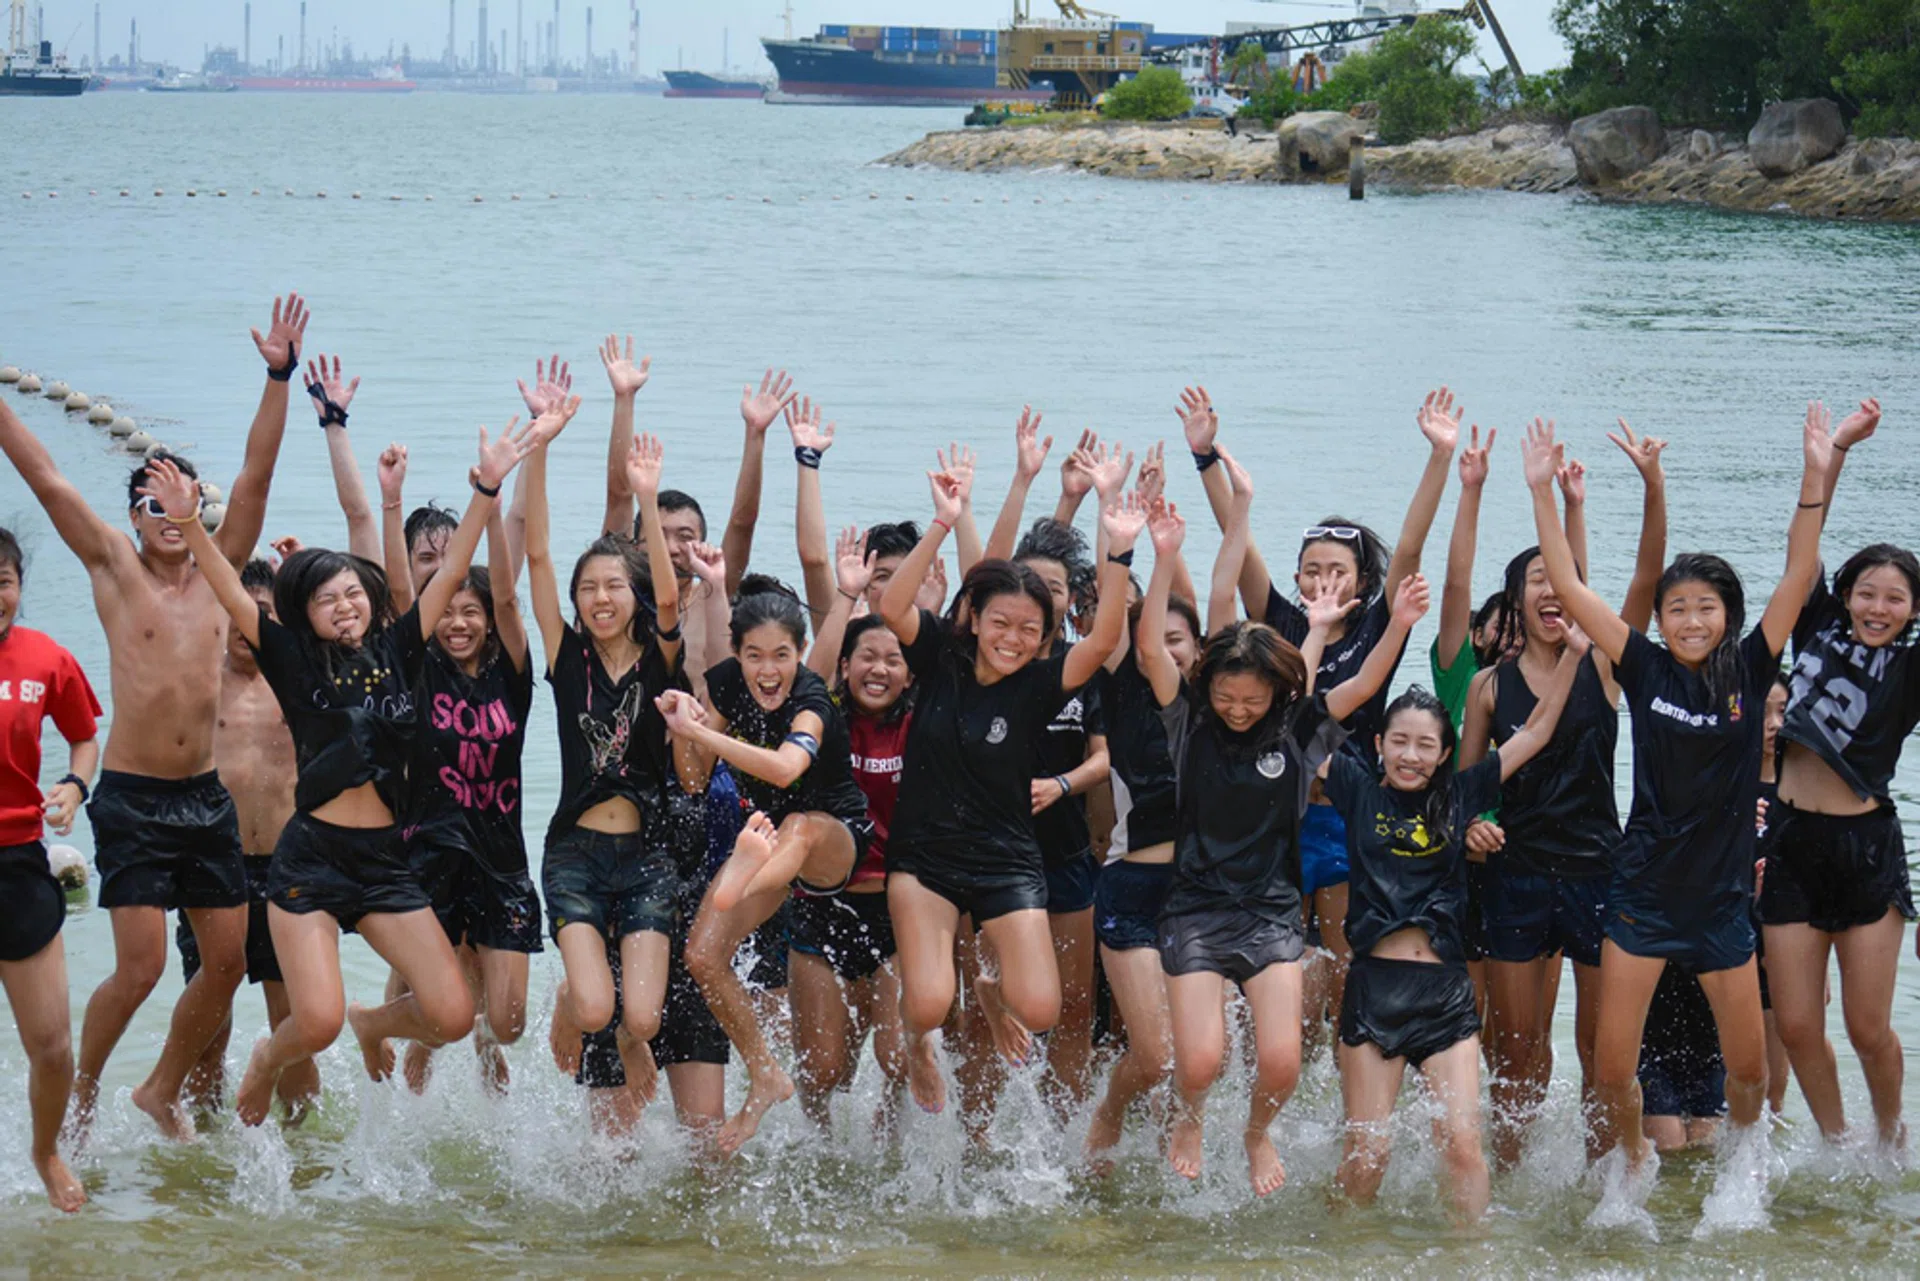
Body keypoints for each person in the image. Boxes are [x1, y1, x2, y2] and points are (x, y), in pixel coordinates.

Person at [142, 404, 548, 1122]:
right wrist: (195, 525)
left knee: (453, 1013)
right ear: (307, 612)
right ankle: (271, 1054)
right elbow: (232, 592)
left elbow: (454, 566)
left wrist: (487, 490)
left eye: (354, 594)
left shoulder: (401, 650)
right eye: (328, 599)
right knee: (315, 1020)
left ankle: (372, 1021)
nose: (346, 606)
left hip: (385, 861)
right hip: (313, 860)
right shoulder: (291, 660)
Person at [0, 295, 306, 1141]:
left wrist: (277, 377)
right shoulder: (112, 569)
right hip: (133, 798)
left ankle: (159, 1087)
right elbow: (46, 476)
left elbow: (256, 475)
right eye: (151, 504)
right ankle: (86, 1085)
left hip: (204, 799)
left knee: (229, 960)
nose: (168, 520)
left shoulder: (221, 572)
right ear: (133, 517)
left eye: (181, 504)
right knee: (137, 967)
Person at [1520, 406, 1840, 1208]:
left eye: (1706, 606)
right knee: (1612, 1067)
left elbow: (1799, 575)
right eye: (1678, 608)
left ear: (1727, 614)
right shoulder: (1642, 666)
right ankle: (1630, 1164)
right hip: (1641, 898)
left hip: (1722, 905)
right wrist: (1539, 493)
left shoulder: (1752, 669)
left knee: (1749, 1069)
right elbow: (1568, 586)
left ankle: (1741, 1170)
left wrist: (1815, 474)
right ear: (1659, 620)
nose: (1692, 619)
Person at [1141, 450, 1425, 1196]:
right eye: (1227, 697)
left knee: (1282, 1062)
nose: (1238, 709)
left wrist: (1393, 623)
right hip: (1197, 908)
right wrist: (1166, 556)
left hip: (1270, 911)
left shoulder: (1295, 733)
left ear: (1274, 694)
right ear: (1209, 690)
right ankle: (1189, 1113)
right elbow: (1175, 630)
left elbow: (1359, 685)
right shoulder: (1190, 727)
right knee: (1199, 1060)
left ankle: (1257, 1128)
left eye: (1251, 700)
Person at [1183, 386, 1456, 1028]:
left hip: (1342, 815)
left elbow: (1411, 548)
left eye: (1336, 568)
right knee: (1266, 961)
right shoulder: (1277, 621)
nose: (1320, 580)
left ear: (1363, 582)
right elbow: (1236, 538)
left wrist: (1439, 458)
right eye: (1310, 568)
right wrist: (1205, 460)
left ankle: (1341, 1079)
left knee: (1339, 959)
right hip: (1272, 815)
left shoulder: (1378, 626)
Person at [878, 463, 1138, 1118]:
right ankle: (916, 1043)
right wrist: (942, 521)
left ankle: (991, 993)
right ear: (975, 615)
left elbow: (1105, 636)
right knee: (933, 1001)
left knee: (1043, 1007)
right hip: (925, 858)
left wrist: (1119, 546)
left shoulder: (1041, 682)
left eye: (1029, 628)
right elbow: (891, 606)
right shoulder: (938, 656)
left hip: (1007, 859)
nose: (1013, 639)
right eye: (1001, 623)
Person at [1458, 421, 1669, 1167]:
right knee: (1517, 1049)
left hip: (1596, 869)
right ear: (1516, 601)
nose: (1552, 588)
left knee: (1599, 1050)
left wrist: (1650, 485)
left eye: (1562, 578)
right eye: (1537, 580)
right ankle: (1510, 1173)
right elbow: (1468, 784)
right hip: (1516, 873)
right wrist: (1476, 823)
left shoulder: (1606, 668)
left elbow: (1646, 578)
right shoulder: (1488, 685)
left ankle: (1599, 1174)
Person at [1328, 657, 1583, 1226]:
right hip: (1375, 991)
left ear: (1445, 754)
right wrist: (1338, 639)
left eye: (1425, 745)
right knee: (1369, 1157)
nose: (1410, 756)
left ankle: (1471, 1259)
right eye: (1399, 742)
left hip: (1446, 993)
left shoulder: (1462, 795)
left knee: (1462, 1148)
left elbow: (1536, 732)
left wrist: (1571, 655)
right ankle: (1336, 1250)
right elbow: (1301, 728)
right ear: (1379, 744)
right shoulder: (1355, 789)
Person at [655, 570, 877, 1154]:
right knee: (702, 955)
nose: (768, 670)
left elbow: (784, 770)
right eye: (754, 656)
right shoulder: (726, 684)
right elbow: (693, 779)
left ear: (800, 654)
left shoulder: (812, 699)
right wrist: (688, 728)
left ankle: (739, 878)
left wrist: (707, 735)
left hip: (834, 840)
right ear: (737, 653)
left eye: (781, 655)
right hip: (767, 849)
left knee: (799, 827)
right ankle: (765, 1074)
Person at [525, 411, 685, 1123]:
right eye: (588, 587)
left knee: (643, 1019)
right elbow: (535, 558)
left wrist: (647, 497)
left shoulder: (660, 657)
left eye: (614, 585)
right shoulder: (566, 660)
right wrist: (538, 451)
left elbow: (673, 595)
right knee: (596, 1004)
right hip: (575, 854)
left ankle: (625, 1027)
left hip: (648, 855)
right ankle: (575, 992)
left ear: (633, 593)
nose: (599, 597)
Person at [1762, 396, 1912, 1149]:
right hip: (1791, 838)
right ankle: (1837, 1143)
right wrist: (1831, 458)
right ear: (1846, 595)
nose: (1877, 606)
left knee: (1868, 1026)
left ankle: (1891, 1141)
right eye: (1867, 592)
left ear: (1912, 610)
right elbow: (1805, 547)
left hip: (1866, 848)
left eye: (1894, 598)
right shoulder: (1817, 622)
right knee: (1794, 1023)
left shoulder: (1912, 667)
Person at [383, 454, 541, 1094]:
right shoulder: (416, 668)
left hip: (501, 857)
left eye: (468, 612)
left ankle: (474, 1041)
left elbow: (506, 592)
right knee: (430, 1010)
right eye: (446, 611)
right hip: (430, 850)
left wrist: (498, 501)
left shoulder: (515, 677)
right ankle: (396, 1089)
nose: (457, 622)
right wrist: (390, 501)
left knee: (505, 1022)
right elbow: (401, 593)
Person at [786, 528, 916, 1139]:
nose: (880, 668)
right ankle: (820, 1145)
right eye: (867, 657)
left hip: (897, 911)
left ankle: (889, 1131)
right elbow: (808, 674)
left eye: (893, 660)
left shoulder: (922, 723)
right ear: (845, 666)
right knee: (826, 1070)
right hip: (822, 907)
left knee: (896, 1058)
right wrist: (844, 595)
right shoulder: (825, 714)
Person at [174, 559, 314, 1122]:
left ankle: (305, 1149)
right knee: (211, 1025)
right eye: (237, 609)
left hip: (288, 868)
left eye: (264, 612)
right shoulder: (201, 680)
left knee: (296, 1018)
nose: (246, 623)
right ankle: (203, 1139)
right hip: (214, 869)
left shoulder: (300, 680)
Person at [1084, 515, 1200, 1171]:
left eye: (1183, 639)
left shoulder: (1216, 716)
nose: (1169, 648)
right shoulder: (1125, 695)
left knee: (1200, 1055)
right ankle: (1110, 1107)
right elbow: (1139, 642)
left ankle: (1170, 1151)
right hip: (1131, 888)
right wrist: (1142, 553)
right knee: (1153, 1055)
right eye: (1162, 639)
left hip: (1201, 899)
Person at [0, 526, 100, 1210]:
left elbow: (85, 733)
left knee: (54, 1046)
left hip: (18, 863)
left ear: (18, 585)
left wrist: (74, 785)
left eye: (2, 580)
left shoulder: (44, 657)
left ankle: (44, 1149)